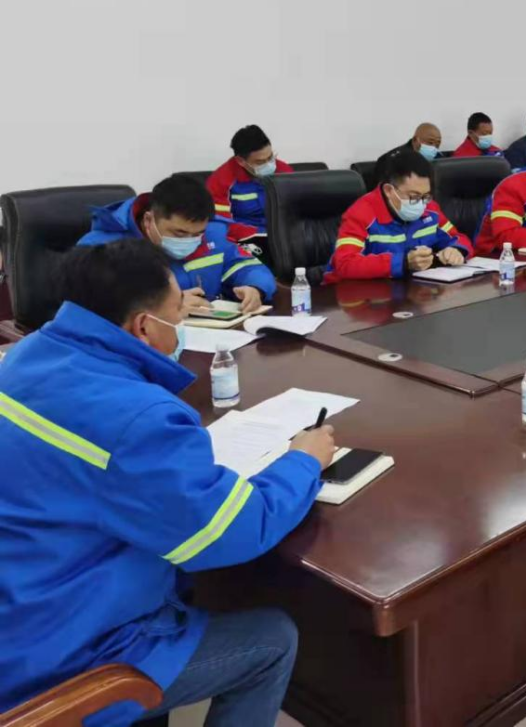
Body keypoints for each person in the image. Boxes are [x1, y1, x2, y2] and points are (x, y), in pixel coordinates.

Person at [0, 240, 335, 727]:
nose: (184, 321)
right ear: (143, 326)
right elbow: (228, 531)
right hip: (56, 654)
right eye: (180, 310)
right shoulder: (137, 417)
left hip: (24, 592)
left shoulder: (25, 356)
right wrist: (303, 462)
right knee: (271, 640)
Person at [78, 174, 275, 316]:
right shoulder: (104, 248)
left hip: (207, 340)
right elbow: (91, 309)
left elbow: (245, 265)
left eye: (197, 234)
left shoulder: (212, 233)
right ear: (149, 220)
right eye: (179, 233)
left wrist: (255, 287)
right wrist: (166, 305)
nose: (189, 240)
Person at [325, 147, 471, 283]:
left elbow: (459, 238)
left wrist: (456, 250)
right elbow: (344, 263)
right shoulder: (361, 213)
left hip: (406, 290)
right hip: (351, 295)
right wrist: (403, 262)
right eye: (413, 196)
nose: (421, 203)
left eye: (426, 196)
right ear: (389, 190)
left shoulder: (430, 209)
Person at [207, 125, 293, 243]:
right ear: (241, 161)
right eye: (260, 162)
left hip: (284, 234)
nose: (269, 165)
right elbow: (222, 224)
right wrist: (262, 234)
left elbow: (296, 210)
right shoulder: (220, 181)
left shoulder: (284, 171)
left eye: (270, 157)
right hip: (246, 238)